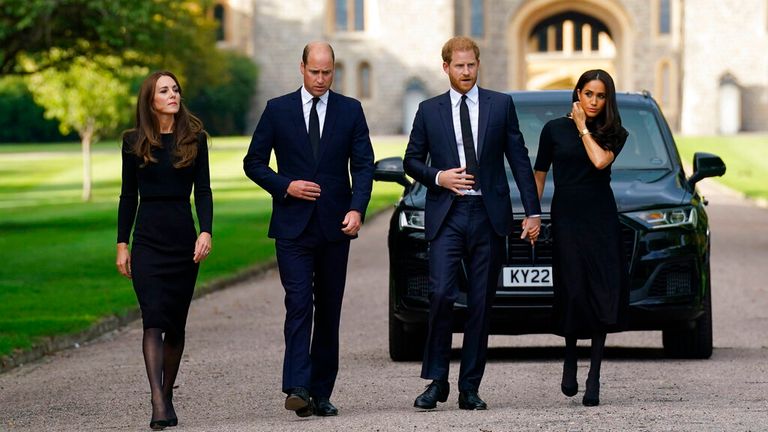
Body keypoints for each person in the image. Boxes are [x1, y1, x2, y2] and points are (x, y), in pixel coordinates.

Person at [403, 36, 541, 411]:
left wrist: (532, 211)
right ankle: (436, 380)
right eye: (458, 66)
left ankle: (470, 387)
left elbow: (519, 159)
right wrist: (439, 177)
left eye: (471, 65)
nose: (466, 72)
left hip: (488, 215)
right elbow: (411, 160)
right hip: (447, 214)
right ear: (445, 67)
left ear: (478, 65)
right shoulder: (429, 110)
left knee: (481, 302)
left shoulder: (501, 105)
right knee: (442, 294)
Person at [243, 42, 374, 417]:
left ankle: (321, 392)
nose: (320, 79)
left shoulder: (350, 110)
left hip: (335, 226)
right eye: (314, 72)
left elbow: (364, 165)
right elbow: (253, 162)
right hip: (292, 227)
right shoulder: (277, 110)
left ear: (334, 70)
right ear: (301, 68)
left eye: (327, 72)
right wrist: (286, 186)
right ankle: (297, 386)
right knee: (299, 304)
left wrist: (357, 209)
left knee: (329, 310)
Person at [116, 71, 213, 430]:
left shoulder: (195, 139)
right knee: (153, 319)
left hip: (182, 240)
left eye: (175, 89)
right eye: (164, 90)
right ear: (150, 99)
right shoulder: (133, 141)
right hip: (147, 241)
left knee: (175, 324)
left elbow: (203, 190)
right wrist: (122, 243)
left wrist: (206, 231)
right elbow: (128, 196)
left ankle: (167, 392)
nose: (173, 95)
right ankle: (158, 401)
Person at [533, 69, 629, 407]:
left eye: (601, 96)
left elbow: (600, 161)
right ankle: (571, 357)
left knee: (600, 291)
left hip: (600, 218)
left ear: (607, 99)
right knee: (573, 290)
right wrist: (533, 214)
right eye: (589, 94)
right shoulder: (553, 130)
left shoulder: (614, 131)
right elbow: (540, 174)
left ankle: (595, 376)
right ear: (577, 93)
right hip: (567, 218)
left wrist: (583, 129)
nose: (594, 101)